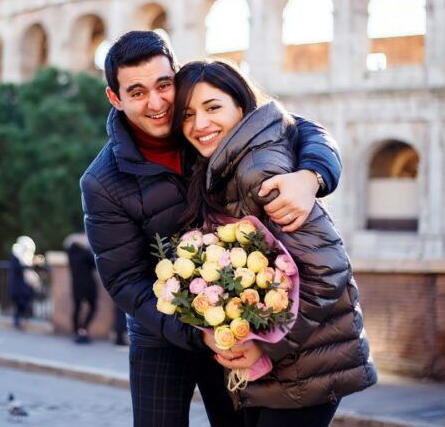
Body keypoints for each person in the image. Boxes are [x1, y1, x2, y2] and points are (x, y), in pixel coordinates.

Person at [80, 31, 343, 427]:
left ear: (177, 76)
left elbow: (299, 129)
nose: (156, 103)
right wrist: (197, 331)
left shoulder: (206, 121)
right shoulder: (102, 181)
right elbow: (124, 280)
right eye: (136, 92)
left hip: (236, 315)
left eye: (164, 85)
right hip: (162, 326)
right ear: (115, 98)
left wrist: (311, 176)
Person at [172, 60, 377, 427]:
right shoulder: (225, 165)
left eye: (213, 107)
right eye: (187, 114)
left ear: (242, 106)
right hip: (285, 368)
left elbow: (328, 269)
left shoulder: (260, 170)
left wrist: (264, 344)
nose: (199, 124)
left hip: (307, 364)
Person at [64, 232, 98, 344]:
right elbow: (94, 263)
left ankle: (76, 332)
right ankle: (83, 330)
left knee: (77, 308)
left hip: (75, 284)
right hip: (88, 284)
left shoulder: (70, 253)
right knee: (92, 307)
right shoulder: (85, 252)